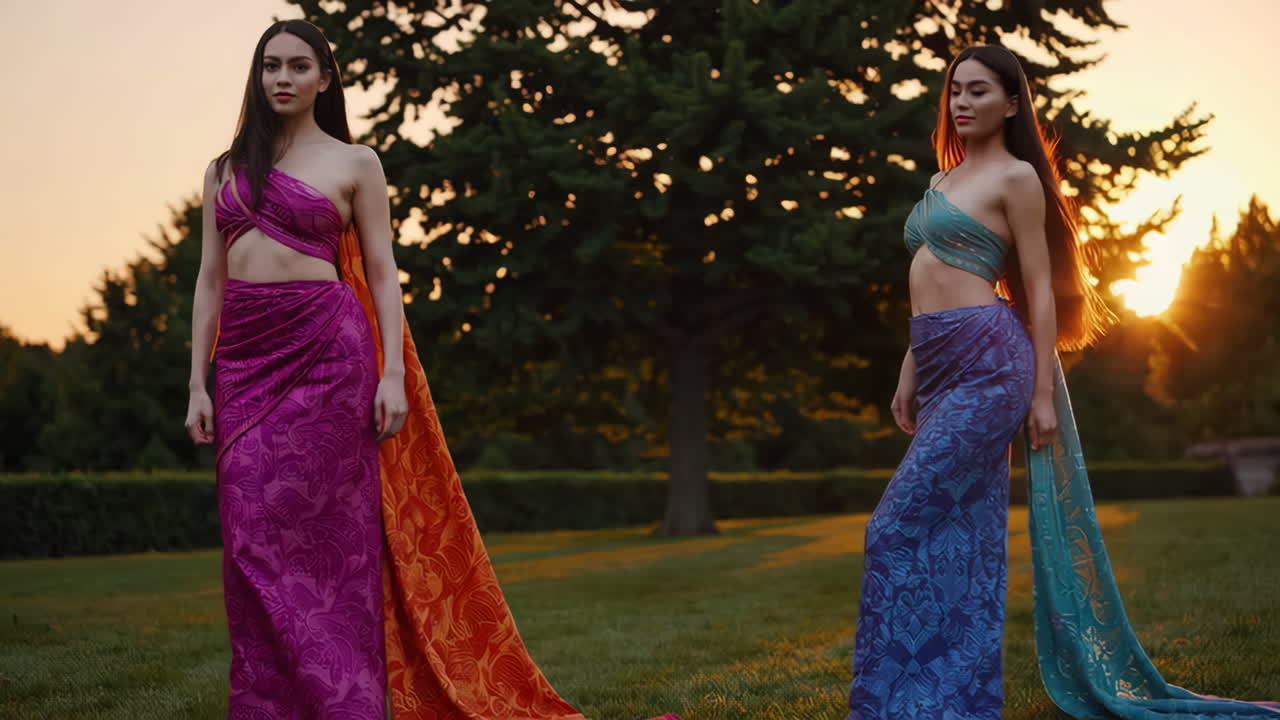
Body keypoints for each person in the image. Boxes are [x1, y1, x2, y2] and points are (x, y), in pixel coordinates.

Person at [847, 44, 1280, 720]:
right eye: (955, 90)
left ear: (1012, 102)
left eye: (980, 90)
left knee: (894, 524)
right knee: (959, 532)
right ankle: (935, 702)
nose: (962, 102)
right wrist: (910, 368)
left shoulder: (1018, 177)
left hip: (993, 364)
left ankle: (909, 695)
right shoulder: (939, 183)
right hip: (936, 362)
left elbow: (1040, 290)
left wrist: (1043, 390)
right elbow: (928, 280)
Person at [186, 20, 585, 720]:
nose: (282, 78)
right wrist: (197, 381)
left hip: (327, 355)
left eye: (298, 66)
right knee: (250, 539)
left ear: (325, 79)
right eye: (270, 66)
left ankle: (346, 703)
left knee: (337, 539)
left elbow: (381, 270)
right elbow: (209, 282)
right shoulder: (222, 171)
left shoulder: (355, 163)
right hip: (245, 363)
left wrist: (391, 371)